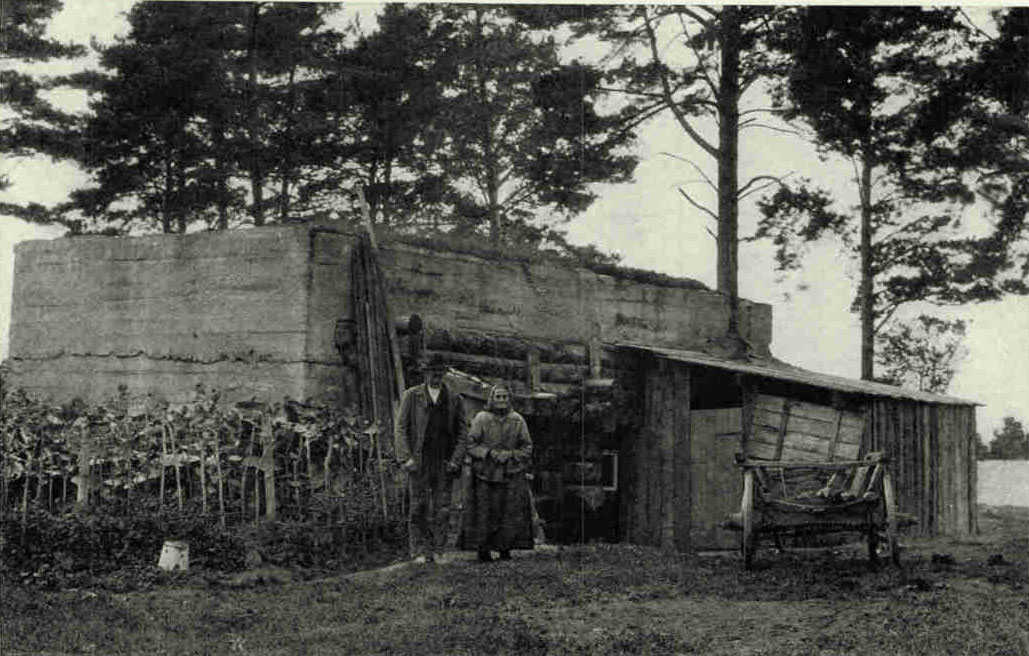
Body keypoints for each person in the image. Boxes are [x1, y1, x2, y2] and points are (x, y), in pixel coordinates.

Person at [394, 354, 468, 563]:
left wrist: (456, 459)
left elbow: (463, 432)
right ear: (425, 373)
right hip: (419, 461)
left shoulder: (454, 399)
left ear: (444, 374)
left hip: (444, 462)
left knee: (442, 508)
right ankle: (417, 551)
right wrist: (406, 458)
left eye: (439, 372)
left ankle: (439, 550)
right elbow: (400, 429)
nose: (436, 376)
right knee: (418, 506)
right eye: (432, 372)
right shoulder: (412, 396)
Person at [465, 384, 534, 562]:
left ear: (509, 399)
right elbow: (471, 444)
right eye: (498, 397)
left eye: (504, 397)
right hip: (485, 473)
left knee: (509, 511)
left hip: (510, 472)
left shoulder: (517, 420)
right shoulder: (482, 418)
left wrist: (510, 454)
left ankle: (505, 549)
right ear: (491, 399)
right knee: (485, 511)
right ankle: (483, 550)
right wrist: (489, 453)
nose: (501, 400)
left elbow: (527, 447)